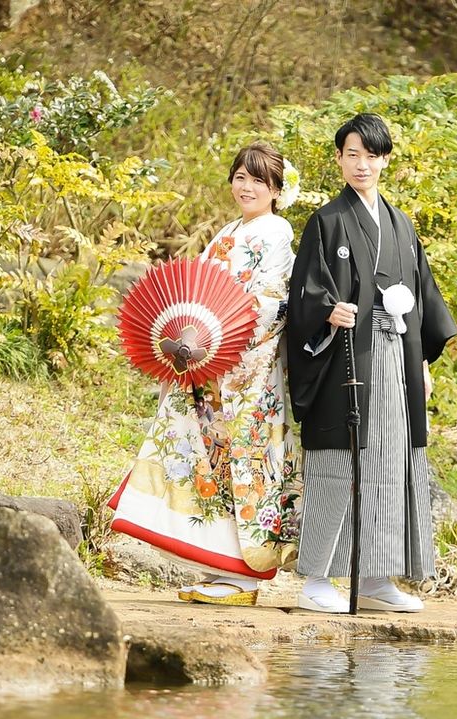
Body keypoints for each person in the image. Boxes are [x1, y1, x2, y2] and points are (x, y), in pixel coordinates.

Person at [109, 142, 302, 605]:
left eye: (259, 180)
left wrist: (222, 339)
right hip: (208, 367)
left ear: (277, 190)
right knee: (207, 464)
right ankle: (220, 569)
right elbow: (200, 291)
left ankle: (245, 577)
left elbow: (273, 304)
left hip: (245, 373)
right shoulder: (228, 231)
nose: (247, 187)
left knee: (241, 465)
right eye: (241, 177)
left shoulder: (277, 233)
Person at [286, 112, 457, 613]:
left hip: (396, 355)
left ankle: (377, 578)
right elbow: (304, 295)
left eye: (372, 155)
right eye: (352, 154)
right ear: (339, 160)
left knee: (390, 462)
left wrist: (421, 364)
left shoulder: (401, 225)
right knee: (338, 462)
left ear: (385, 160)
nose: (362, 164)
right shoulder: (326, 221)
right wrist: (327, 311)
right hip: (344, 357)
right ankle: (317, 578)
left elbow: (423, 299)